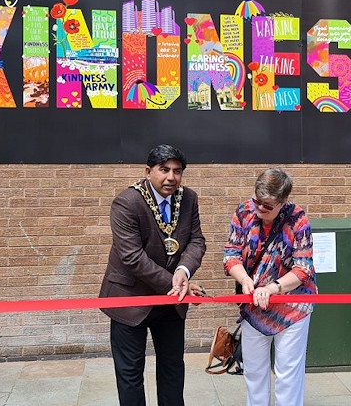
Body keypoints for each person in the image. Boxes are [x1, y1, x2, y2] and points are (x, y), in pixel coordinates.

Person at [99, 144, 207, 406]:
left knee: (172, 370)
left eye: (177, 171)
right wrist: (177, 284)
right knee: (130, 374)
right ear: (148, 171)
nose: (171, 177)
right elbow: (132, 257)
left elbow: (197, 241)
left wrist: (182, 271)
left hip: (170, 302)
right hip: (130, 300)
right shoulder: (127, 202)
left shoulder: (188, 198)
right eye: (164, 170)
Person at [223, 168, 316, 406]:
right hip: (254, 305)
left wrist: (273, 288)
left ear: (283, 202)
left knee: (288, 374)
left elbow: (303, 268)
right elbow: (231, 255)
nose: (260, 208)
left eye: (268, 205)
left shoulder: (297, 218)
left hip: (292, 306)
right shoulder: (243, 213)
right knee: (254, 373)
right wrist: (244, 279)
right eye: (257, 201)